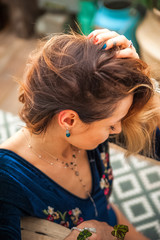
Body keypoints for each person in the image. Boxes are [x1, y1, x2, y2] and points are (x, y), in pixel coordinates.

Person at [0, 28, 160, 240]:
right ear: (69, 120)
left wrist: (147, 86)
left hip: (119, 226)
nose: (118, 130)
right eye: (112, 125)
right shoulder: (7, 182)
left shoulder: (87, 126)